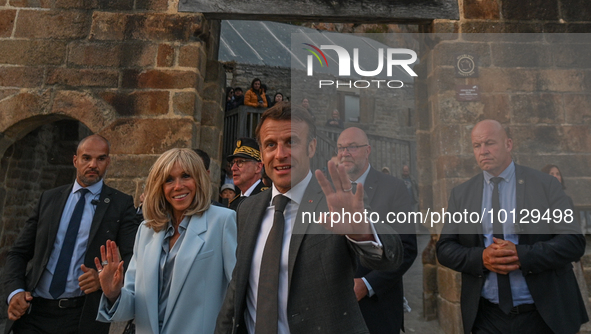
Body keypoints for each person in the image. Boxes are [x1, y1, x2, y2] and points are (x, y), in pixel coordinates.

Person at [215, 102, 403, 334]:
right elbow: (238, 286)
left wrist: (362, 232)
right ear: (262, 154)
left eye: (291, 142)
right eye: (271, 145)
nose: (280, 154)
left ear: (311, 147)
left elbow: (391, 255)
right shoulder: (248, 209)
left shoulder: (336, 201)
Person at [436, 120, 588, 334]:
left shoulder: (545, 185)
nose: (483, 151)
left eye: (490, 143)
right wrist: (481, 258)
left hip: (543, 315)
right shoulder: (462, 194)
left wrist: (522, 256)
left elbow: (573, 242)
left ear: (508, 144)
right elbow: (444, 249)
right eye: (477, 146)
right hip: (487, 317)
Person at [3, 135, 139, 334]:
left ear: (108, 162)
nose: (93, 164)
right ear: (75, 160)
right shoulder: (49, 199)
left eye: (101, 159)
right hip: (33, 313)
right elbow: (18, 252)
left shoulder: (120, 204)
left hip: (82, 317)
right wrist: (14, 292)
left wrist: (104, 282)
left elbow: (134, 259)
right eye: (86, 158)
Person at [96, 148, 237, 334]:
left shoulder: (222, 220)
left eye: (186, 176)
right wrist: (113, 293)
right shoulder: (146, 230)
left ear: (199, 179)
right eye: (169, 179)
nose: (178, 186)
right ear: (159, 186)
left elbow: (237, 292)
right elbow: (134, 304)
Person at [337, 127, 417, 334]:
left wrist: (367, 284)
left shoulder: (394, 188)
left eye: (352, 147)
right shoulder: (326, 190)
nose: (345, 153)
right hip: (334, 312)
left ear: (368, 150)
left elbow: (406, 248)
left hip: (377, 309)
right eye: (340, 148)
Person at [227, 137, 269, 211]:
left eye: (240, 162)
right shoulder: (234, 203)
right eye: (233, 163)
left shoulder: (267, 199)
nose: (233, 168)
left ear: (258, 167)